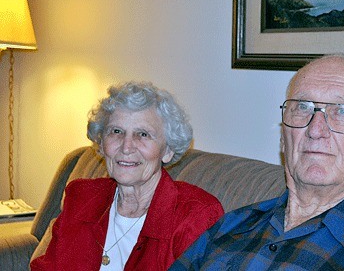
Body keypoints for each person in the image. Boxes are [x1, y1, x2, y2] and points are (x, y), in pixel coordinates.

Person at [169, 55, 344, 270]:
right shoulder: (236, 223)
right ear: (284, 137)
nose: (316, 129)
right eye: (303, 108)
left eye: (342, 112)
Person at [30, 81, 224, 271]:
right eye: (116, 131)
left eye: (143, 134)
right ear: (101, 143)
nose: (126, 146)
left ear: (168, 150)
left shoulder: (195, 216)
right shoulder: (81, 198)